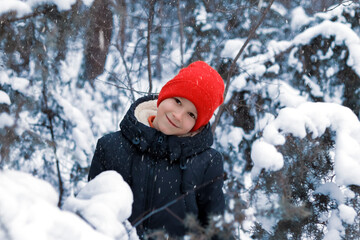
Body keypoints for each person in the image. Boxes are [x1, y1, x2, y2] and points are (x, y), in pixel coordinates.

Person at [88, 61, 225, 238]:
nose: (178, 115)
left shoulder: (207, 163)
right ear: (164, 96)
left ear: (197, 125)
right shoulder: (111, 146)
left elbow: (216, 231)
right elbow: (91, 216)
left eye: (191, 114)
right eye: (177, 101)